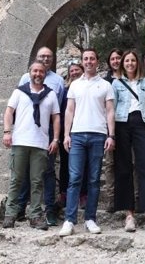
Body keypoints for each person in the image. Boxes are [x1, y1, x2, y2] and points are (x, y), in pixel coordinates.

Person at [59, 49, 115, 236]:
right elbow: (69, 111)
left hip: (98, 135)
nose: (89, 61)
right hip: (77, 135)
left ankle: (90, 218)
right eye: (86, 59)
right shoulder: (75, 85)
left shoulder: (106, 85)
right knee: (74, 179)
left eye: (92, 58)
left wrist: (111, 135)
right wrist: (66, 135)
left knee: (93, 180)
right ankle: (69, 220)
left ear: (97, 61)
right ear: (82, 62)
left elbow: (109, 112)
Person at [2, 61, 61, 230]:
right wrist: (7, 132)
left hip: (40, 144)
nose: (38, 74)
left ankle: (35, 215)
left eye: (41, 71)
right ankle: (10, 214)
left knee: (37, 182)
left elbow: (56, 117)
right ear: (30, 73)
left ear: (44, 74)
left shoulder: (50, 95)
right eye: (35, 71)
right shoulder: (19, 92)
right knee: (16, 179)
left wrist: (55, 139)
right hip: (20, 141)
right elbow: (9, 111)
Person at [111, 50, 145, 233]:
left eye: (133, 60)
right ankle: (129, 215)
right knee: (124, 168)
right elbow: (112, 108)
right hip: (122, 125)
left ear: (137, 63)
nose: (130, 63)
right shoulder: (116, 83)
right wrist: (111, 134)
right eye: (127, 60)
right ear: (123, 64)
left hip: (143, 124)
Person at [16, 47, 65, 226]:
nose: (45, 58)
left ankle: (49, 210)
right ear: (35, 59)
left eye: (48, 56)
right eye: (42, 56)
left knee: (48, 171)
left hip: (48, 130)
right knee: (25, 169)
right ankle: (20, 208)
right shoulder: (24, 78)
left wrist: (56, 137)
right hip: (27, 130)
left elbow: (58, 110)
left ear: (53, 59)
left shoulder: (58, 81)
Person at [58, 60, 86, 209]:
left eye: (77, 70)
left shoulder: (86, 87)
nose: (74, 73)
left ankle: (83, 194)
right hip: (67, 131)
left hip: (83, 129)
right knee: (65, 163)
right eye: (72, 71)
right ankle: (64, 193)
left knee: (84, 164)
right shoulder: (65, 90)